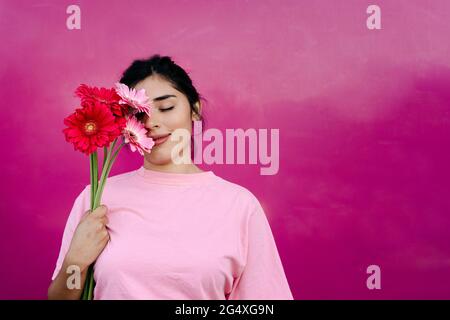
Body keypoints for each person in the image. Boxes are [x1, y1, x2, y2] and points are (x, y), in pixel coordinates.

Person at [48, 54, 293, 300]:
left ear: (195, 109)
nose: (152, 122)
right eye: (139, 115)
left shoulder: (240, 205)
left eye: (166, 107)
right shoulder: (97, 198)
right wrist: (75, 262)